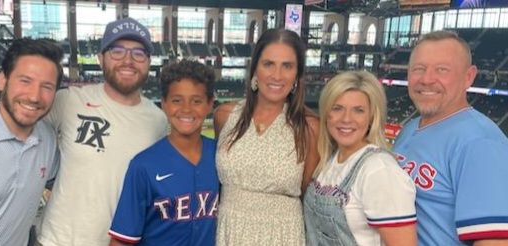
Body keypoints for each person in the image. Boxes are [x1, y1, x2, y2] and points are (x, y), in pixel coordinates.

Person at [35, 17, 168, 246]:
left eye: (138, 53)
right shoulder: (69, 101)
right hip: (56, 241)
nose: (128, 60)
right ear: (100, 58)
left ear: (148, 62)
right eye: (117, 51)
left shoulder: (158, 121)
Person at [394, 30, 508, 245]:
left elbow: (495, 241)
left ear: (468, 77)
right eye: (419, 69)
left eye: (441, 70)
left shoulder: (481, 143)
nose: (427, 79)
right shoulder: (409, 128)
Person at [213, 28, 320, 245]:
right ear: (255, 69)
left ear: (297, 75)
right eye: (268, 64)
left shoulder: (309, 127)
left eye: (287, 66)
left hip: (283, 234)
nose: (277, 76)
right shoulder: (225, 116)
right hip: (228, 230)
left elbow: (307, 192)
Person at [0, 38, 63, 246]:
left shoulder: (48, 139)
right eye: (25, 81)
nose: (35, 96)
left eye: (47, 86)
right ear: (2, 80)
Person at [108, 59, 218, 246]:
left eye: (196, 101)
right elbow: (122, 240)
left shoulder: (221, 156)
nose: (186, 109)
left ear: (210, 104)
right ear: (164, 104)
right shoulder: (143, 165)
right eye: (176, 100)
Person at [303, 71, 417, 246]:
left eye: (358, 110)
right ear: (326, 114)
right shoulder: (330, 160)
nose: (346, 119)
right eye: (337, 108)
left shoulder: (379, 170)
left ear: (371, 117)